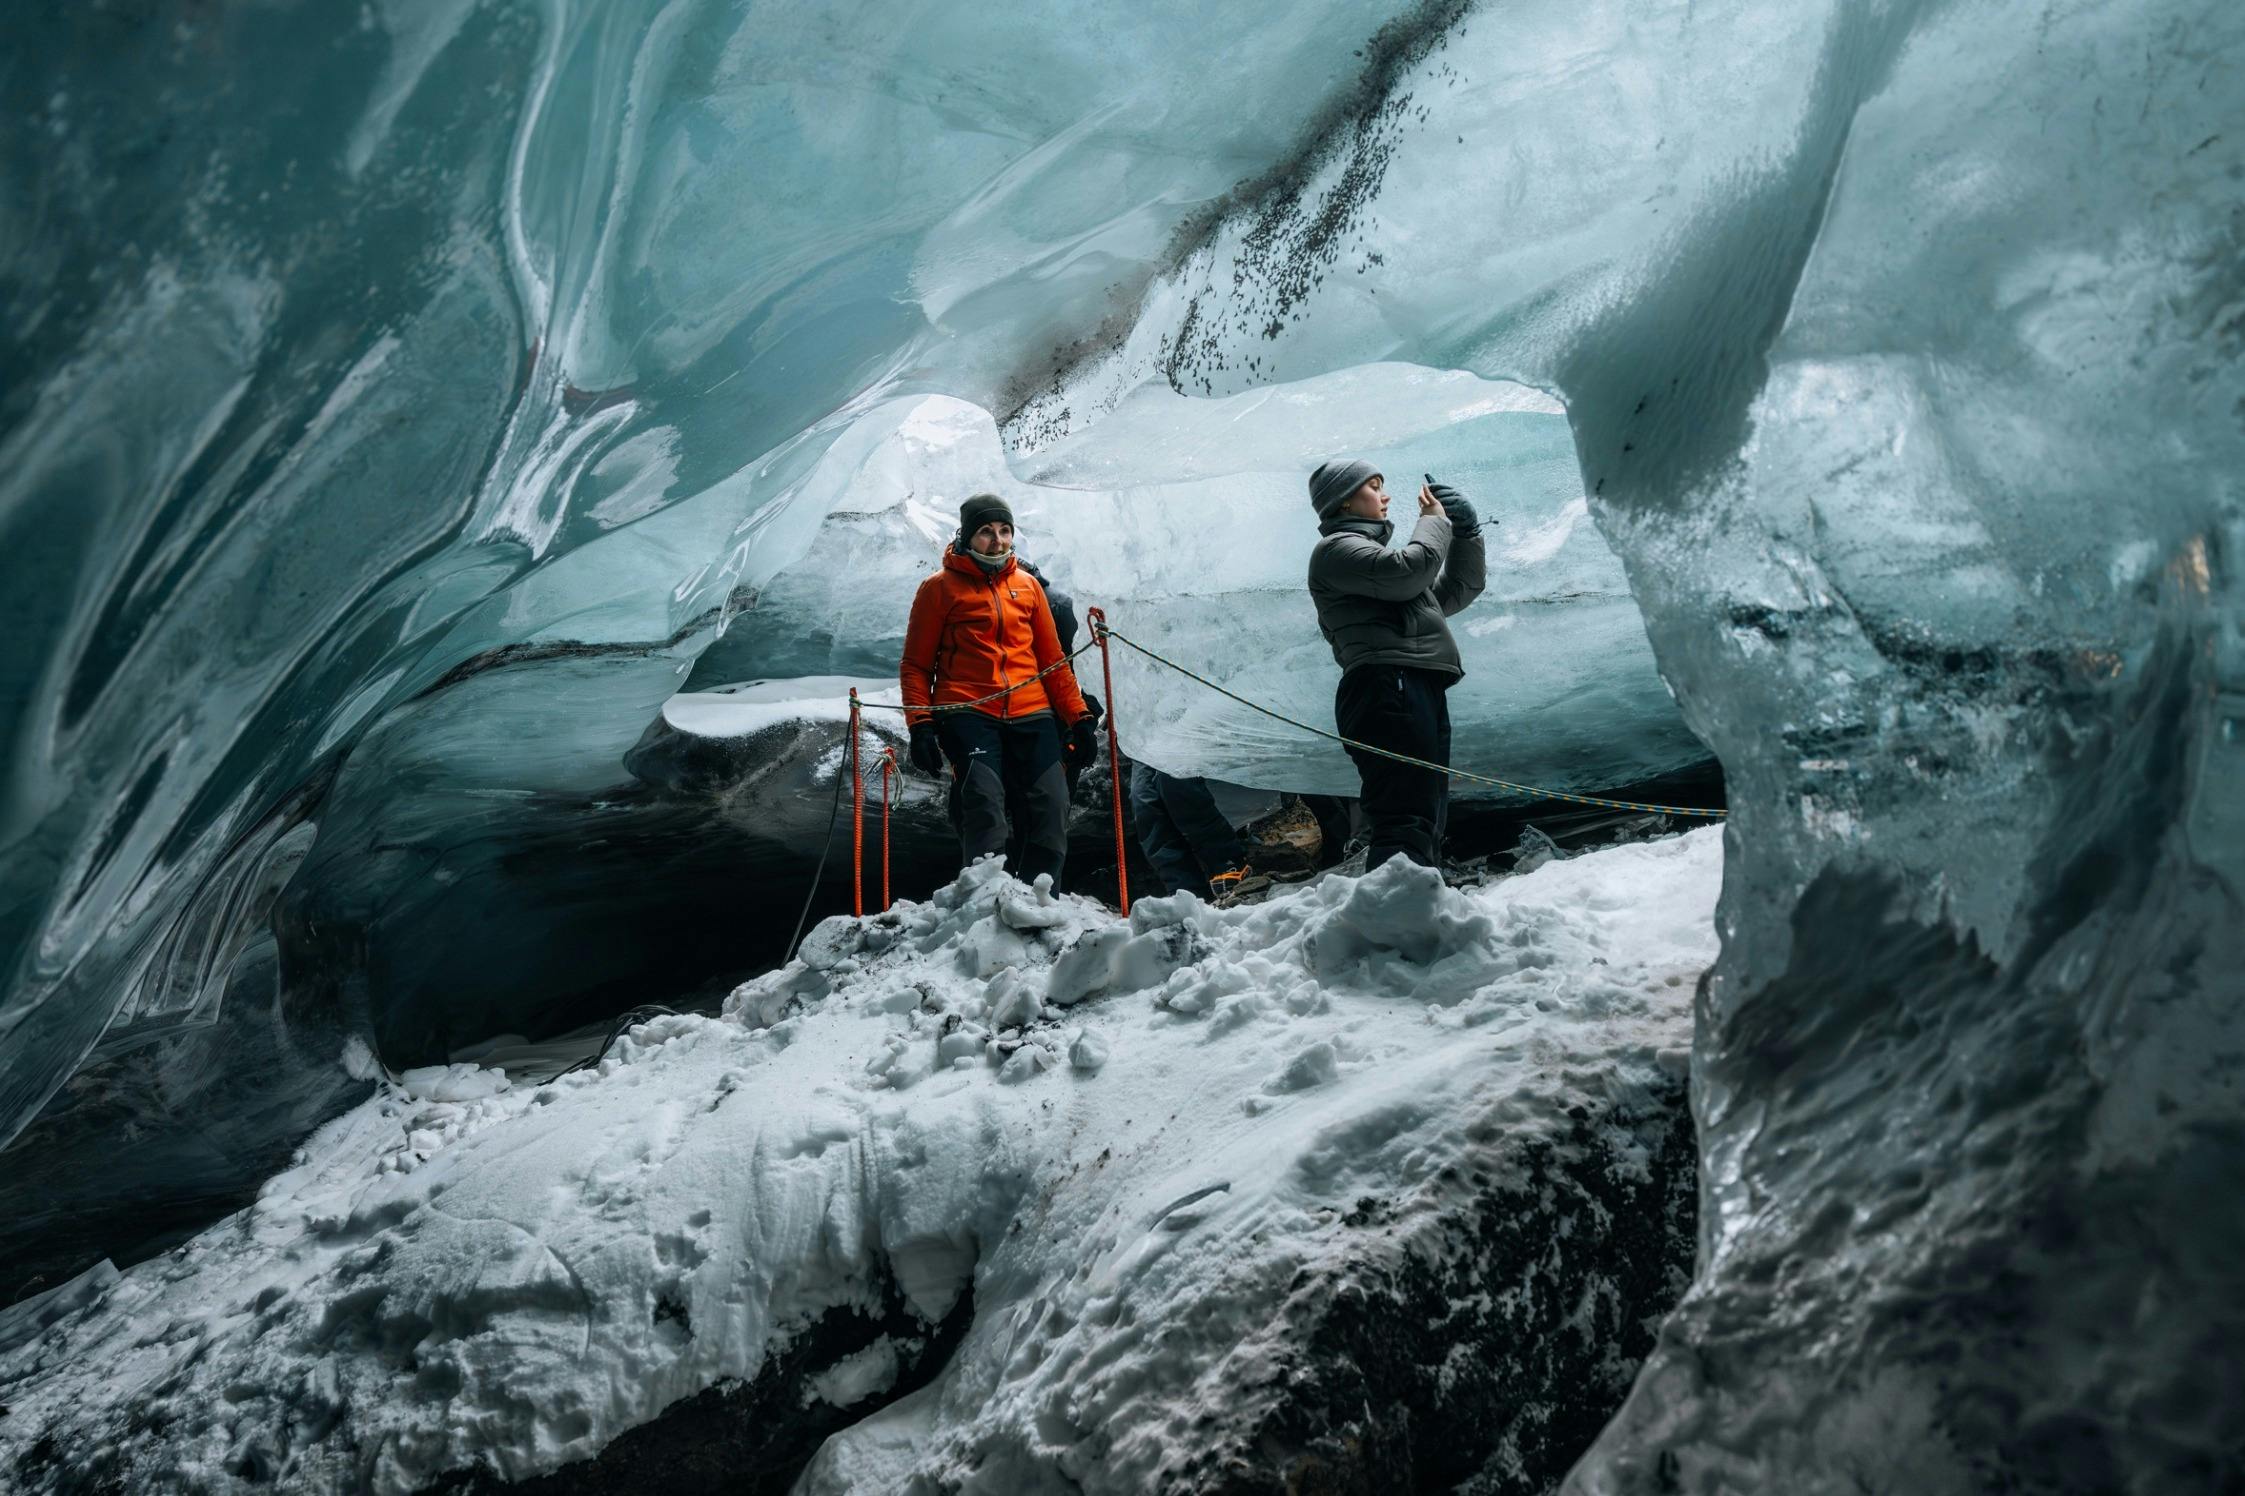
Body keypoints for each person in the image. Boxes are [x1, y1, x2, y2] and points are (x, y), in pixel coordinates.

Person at [901, 495, 1100, 884]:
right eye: (986, 532)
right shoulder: (938, 588)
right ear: (967, 536)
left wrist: (1079, 718)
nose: (998, 541)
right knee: (984, 802)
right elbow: (916, 665)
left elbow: (1052, 661)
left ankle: (1040, 897)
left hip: (1032, 710)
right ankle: (985, 897)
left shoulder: (1028, 586)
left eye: (1005, 531)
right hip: (967, 709)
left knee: (1052, 802)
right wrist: (920, 725)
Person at [1305, 460, 1488, 870]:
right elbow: (1409, 573)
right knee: (1406, 815)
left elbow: (1457, 590)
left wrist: (1466, 532)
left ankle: (1417, 898)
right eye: (1373, 487)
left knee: (1426, 815)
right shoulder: (1336, 551)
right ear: (1344, 501)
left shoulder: (1371, 563)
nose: (1384, 495)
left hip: (1406, 684)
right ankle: (1398, 904)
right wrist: (1434, 521)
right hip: (1386, 684)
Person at [1127, 762, 1253, 901]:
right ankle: (1184, 888)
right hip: (1144, 749)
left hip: (1187, 749)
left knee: (1174, 778)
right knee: (1143, 799)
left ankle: (1228, 863)